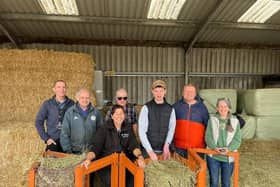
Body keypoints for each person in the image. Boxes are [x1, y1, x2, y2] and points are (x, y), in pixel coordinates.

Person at [81, 104, 145, 187]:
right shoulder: (104, 128)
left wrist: (140, 157)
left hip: (124, 162)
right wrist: (88, 159)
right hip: (107, 163)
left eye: (121, 113)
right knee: (112, 182)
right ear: (112, 116)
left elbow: (134, 145)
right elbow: (96, 147)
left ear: (124, 115)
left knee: (131, 182)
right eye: (116, 114)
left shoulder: (128, 128)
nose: (119, 116)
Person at [205, 98, 241, 187]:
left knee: (226, 183)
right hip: (213, 156)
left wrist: (228, 149)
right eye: (220, 106)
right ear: (217, 108)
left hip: (228, 157)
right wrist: (214, 147)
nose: (223, 108)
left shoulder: (235, 121)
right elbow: (208, 137)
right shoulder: (212, 120)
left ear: (229, 108)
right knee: (214, 182)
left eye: (225, 106)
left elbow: (237, 139)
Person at [138, 80, 176, 161]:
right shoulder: (146, 108)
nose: (159, 94)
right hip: (148, 151)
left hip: (164, 150)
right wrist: (150, 151)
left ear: (165, 91)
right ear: (152, 92)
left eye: (161, 91)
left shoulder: (170, 109)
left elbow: (171, 129)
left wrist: (167, 145)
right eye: (156, 91)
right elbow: (141, 131)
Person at [35, 80, 74, 152]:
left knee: (71, 162)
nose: (61, 89)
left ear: (66, 89)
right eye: (58, 87)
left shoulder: (72, 104)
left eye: (64, 87)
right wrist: (47, 138)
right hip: (53, 140)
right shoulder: (47, 104)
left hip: (68, 141)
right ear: (54, 89)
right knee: (49, 160)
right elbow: (38, 122)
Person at [60, 88, 102, 154]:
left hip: (91, 152)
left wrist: (96, 149)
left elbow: (100, 133)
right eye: (82, 97)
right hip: (74, 152)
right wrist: (68, 150)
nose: (85, 100)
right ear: (77, 98)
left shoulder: (96, 112)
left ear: (90, 98)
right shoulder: (70, 112)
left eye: (87, 98)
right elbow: (64, 133)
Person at [173, 83, 209, 158]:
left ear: (195, 94)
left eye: (191, 92)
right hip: (179, 148)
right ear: (182, 93)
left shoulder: (202, 108)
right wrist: (172, 147)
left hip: (197, 149)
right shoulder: (176, 106)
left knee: (196, 169)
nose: (189, 94)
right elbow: (170, 126)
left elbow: (207, 127)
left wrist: (206, 145)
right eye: (186, 91)